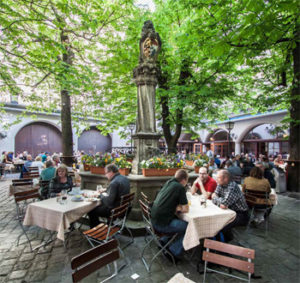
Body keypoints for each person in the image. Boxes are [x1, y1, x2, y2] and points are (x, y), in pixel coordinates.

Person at [151, 169, 189, 260]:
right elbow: (186, 209)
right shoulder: (180, 187)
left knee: (179, 221)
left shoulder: (169, 182)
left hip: (153, 221)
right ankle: (173, 251)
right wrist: (178, 207)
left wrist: (176, 207)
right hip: (161, 225)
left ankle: (164, 241)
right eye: (186, 181)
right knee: (189, 227)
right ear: (184, 180)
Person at [88, 164, 130, 228]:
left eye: (106, 173)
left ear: (111, 172)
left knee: (91, 210)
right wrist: (106, 189)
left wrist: (100, 195)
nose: (105, 175)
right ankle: (104, 226)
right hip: (123, 209)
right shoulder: (125, 178)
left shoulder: (114, 183)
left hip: (114, 211)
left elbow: (108, 202)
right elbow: (118, 191)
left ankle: (96, 229)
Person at [212, 170, 249, 242]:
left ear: (225, 179)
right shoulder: (220, 184)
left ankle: (225, 243)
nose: (216, 180)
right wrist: (218, 200)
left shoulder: (232, 187)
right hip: (228, 211)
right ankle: (216, 239)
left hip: (240, 214)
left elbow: (224, 204)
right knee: (215, 220)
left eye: (218, 178)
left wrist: (216, 199)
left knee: (222, 225)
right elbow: (214, 196)